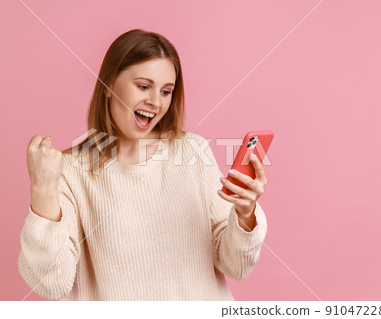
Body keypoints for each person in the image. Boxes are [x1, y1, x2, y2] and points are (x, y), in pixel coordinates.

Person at [19, 29, 268, 301]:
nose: (155, 102)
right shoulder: (70, 171)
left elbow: (236, 266)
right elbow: (52, 283)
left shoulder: (192, 151)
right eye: (143, 86)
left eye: (166, 91)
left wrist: (245, 213)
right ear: (109, 85)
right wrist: (42, 189)